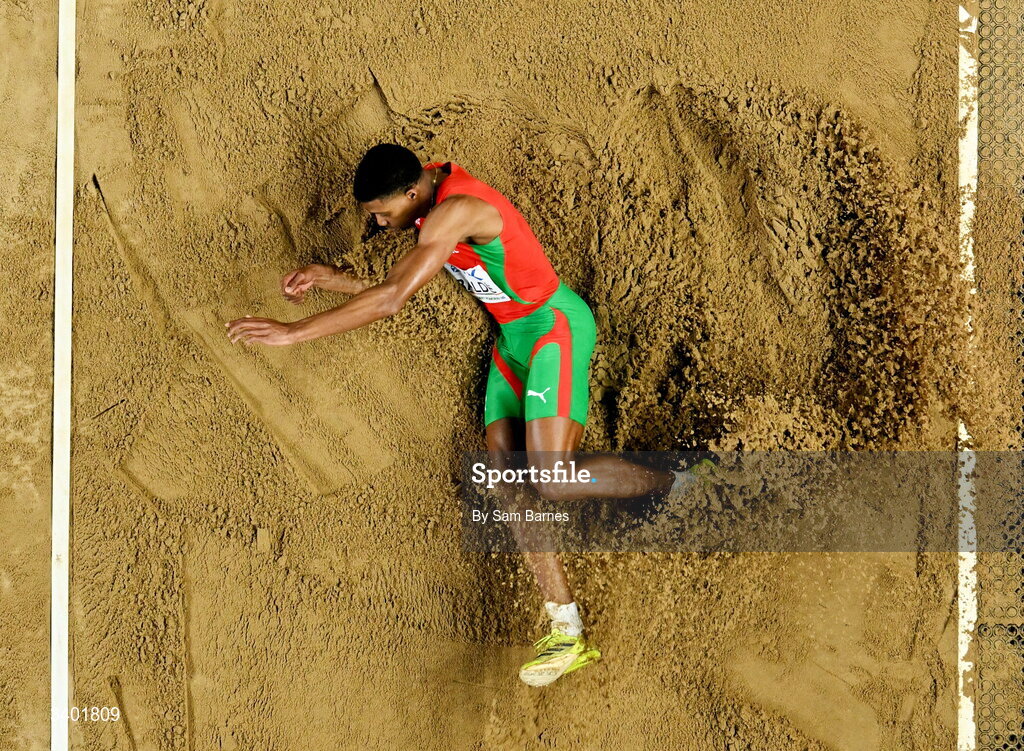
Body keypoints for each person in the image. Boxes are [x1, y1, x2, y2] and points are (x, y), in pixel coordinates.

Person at [226, 143, 710, 686]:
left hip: (553, 329)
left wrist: (294, 333)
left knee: (549, 478)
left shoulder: (457, 208)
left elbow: (391, 299)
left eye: (383, 213)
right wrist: (329, 279)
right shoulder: (427, 207)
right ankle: (566, 629)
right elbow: (397, 282)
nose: (382, 225)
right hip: (513, 341)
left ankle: (683, 482)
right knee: (508, 480)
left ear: (412, 193)